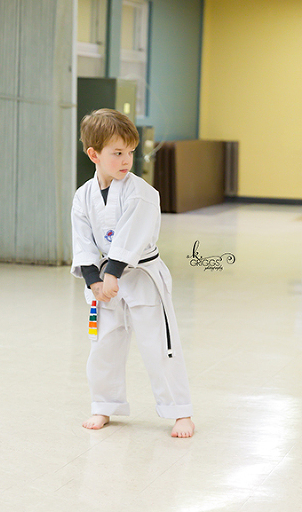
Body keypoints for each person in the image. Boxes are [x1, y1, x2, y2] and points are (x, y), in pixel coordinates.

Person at [71, 108, 195, 438]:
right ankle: (104, 404)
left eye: (130, 152)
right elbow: (82, 240)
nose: (126, 160)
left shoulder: (141, 191)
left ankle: (179, 411)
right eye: (117, 153)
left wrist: (113, 271)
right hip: (104, 285)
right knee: (103, 344)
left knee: (159, 344)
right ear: (93, 154)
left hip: (142, 277)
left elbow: (132, 236)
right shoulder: (83, 196)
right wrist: (94, 279)